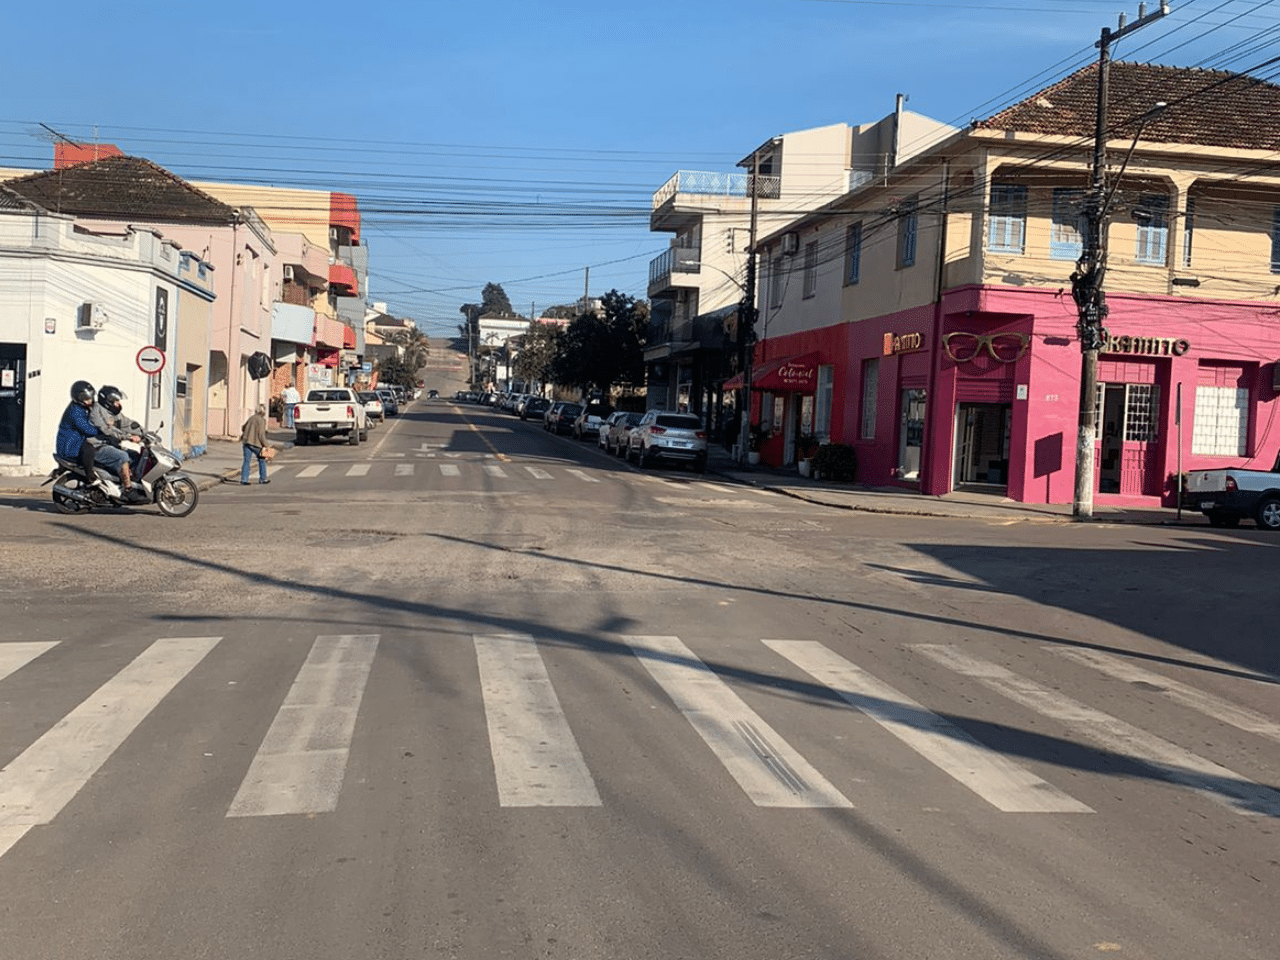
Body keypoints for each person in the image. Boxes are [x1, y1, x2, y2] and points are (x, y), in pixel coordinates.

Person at [90, 385, 145, 499]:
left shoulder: (113, 413)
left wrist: (144, 432)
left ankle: (129, 482)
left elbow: (127, 424)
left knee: (135, 456)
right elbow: (107, 429)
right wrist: (128, 437)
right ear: (108, 401)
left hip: (110, 445)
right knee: (122, 456)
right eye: (116, 401)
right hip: (97, 447)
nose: (118, 403)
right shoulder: (96, 412)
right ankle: (128, 490)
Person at [55, 380, 103, 479]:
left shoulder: (83, 408)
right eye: (86, 398)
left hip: (77, 442)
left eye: (91, 397)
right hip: (70, 446)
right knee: (89, 449)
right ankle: (90, 476)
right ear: (78, 398)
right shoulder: (75, 411)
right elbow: (87, 429)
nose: (90, 400)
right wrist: (101, 431)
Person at [239, 404, 272, 485]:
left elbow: (243, 427)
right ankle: (263, 479)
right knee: (262, 460)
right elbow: (261, 435)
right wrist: (267, 446)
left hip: (247, 442)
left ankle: (244, 479)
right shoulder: (261, 420)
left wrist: (248, 432)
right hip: (256, 444)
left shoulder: (251, 418)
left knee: (246, 461)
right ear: (263, 411)